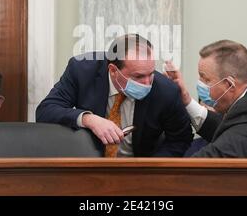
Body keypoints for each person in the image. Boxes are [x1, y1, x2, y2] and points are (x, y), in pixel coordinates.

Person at [36, 34, 193, 157]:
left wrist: (150, 171)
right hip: (85, 167)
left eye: (150, 74)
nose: (147, 83)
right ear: (112, 70)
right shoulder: (81, 71)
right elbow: (45, 110)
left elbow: (181, 140)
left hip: (140, 172)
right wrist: (88, 119)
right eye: (138, 77)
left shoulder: (166, 90)